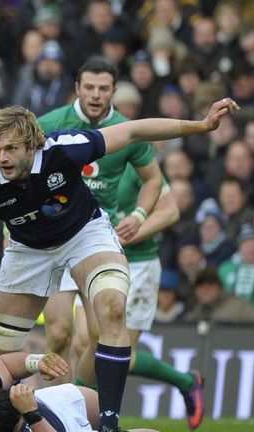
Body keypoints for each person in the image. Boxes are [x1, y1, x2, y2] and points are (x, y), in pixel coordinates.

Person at [0, 97, 241, 432]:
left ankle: (109, 421)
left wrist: (200, 125)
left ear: (32, 144)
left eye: (11, 148)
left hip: (85, 234)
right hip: (27, 251)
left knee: (112, 308)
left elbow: (133, 131)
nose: (2, 158)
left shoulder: (63, 148)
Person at [36, 57, 163, 372]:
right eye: (89, 87)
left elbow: (154, 180)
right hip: (53, 237)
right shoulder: (48, 125)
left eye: (103, 89)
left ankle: (87, 411)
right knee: (60, 331)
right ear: (77, 88)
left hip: (95, 239)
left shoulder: (127, 131)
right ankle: (58, 414)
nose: (95, 95)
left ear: (114, 91)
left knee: (96, 337)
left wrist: (140, 214)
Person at [72, 166, 205, 430]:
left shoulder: (135, 160)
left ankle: (82, 414)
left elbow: (170, 212)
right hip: (93, 261)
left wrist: (123, 237)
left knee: (111, 350)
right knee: (83, 343)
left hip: (138, 265)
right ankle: (83, 412)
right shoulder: (80, 152)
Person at [0, 350, 158, 432]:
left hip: (48, 403)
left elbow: (4, 365)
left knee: (94, 402)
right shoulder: (29, 419)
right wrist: (32, 415)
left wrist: (37, 362)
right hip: (52, 426)